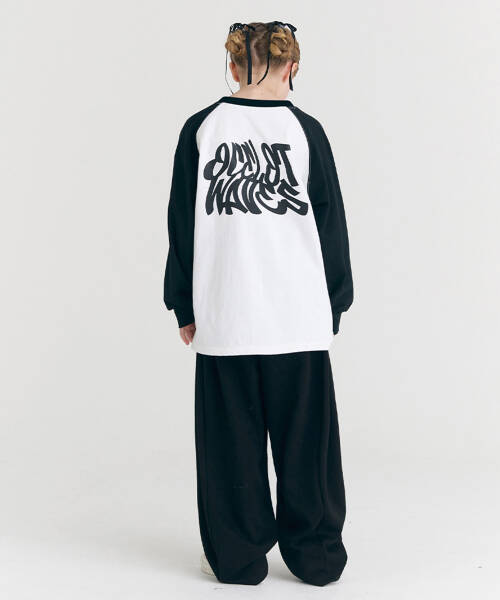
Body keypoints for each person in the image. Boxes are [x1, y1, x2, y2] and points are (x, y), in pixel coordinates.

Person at [163, 21, 354, 587]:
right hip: (298, 317)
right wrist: (336, 299)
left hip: (226, 313)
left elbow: (181, 223)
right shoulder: (306, 131)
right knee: (308, 448)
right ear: (293, 67)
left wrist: (183, 303)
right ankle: (316, 556)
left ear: (232, 66)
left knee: (230, 448)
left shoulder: (202, 128)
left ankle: (237, 557)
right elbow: (330, 220)